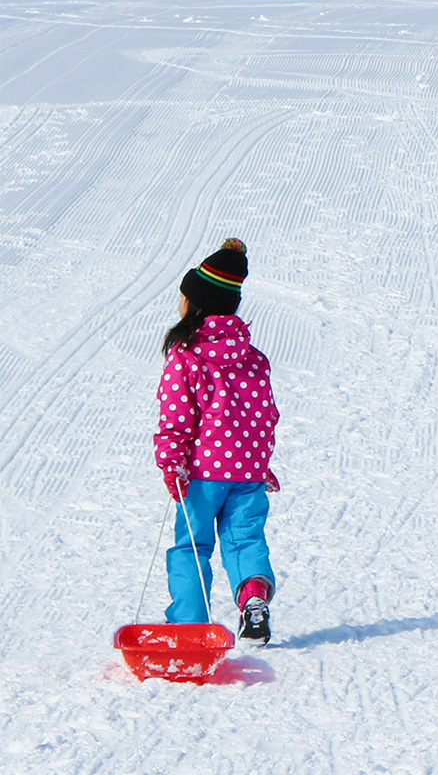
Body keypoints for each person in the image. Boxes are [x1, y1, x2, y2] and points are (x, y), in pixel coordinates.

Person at [154, 238, 281, 643]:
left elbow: (177, 416)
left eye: (184, 299)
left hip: (202, 475)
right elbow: (264, 416)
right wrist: (260, 465)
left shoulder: (187, 355)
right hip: (247, 473)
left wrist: (172, 462)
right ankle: (253, 597)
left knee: (192, 546)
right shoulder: (253, 357)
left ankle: (189, 624)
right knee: (244, 538)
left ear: (197, 304)